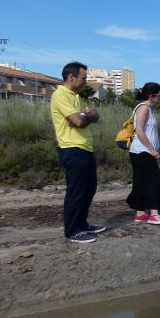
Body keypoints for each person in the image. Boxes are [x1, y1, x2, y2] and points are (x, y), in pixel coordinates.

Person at [50, 61, 105, 243]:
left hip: (85, 148)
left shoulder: (76, 96)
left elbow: (92, 117)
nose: (86, 81)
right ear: (71, 77)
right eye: (83, 78)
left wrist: (87, 116)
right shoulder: (61, 95)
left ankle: (81, 224)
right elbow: (79, 121)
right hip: (72, 148)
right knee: (76, 191)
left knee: (89, 189)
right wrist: (86, 117)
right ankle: (72, 231)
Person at [126, 82, 160, 225]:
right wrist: (152, 150)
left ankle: (140, 213)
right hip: (142, 151)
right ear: (151, 95)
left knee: (140, 181)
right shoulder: (143, 108)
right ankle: (154, 213)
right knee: (156, 181)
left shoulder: (149, 108)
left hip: (141, 151)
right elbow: (140, 131)